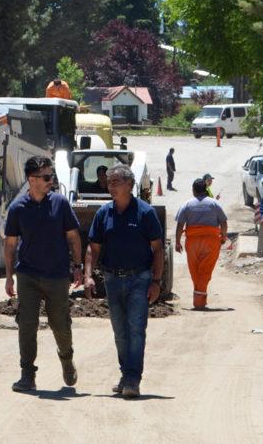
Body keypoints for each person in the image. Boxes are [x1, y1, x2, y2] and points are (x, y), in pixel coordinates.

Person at [81, 164, 164, 398]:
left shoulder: (145, 213)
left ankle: (132, 379)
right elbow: (93, 248)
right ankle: (126, 372)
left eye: (116, 181)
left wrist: (156, 281)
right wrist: (88, 276)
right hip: (112, 279)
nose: (111, 186)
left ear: (130, 185)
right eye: (109, 182)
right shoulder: (103, 213)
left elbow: (157, 250)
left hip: (140, 278)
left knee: (136, 329)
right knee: (119, 331)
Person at [4, 155, 84, 392]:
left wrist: (77, 267)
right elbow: (10, 245)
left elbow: (74, 238)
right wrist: (9, 276)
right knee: (26, 324)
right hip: (27, 275)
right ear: (32, 179)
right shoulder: (17, 208)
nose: (51, 180)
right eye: (46, 177)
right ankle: (27, 374)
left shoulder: (60, 203)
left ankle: (66, 358)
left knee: (60, 324)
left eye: (51, 176)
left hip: (57, 275)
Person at [175, 179, 228, 309]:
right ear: (205, 189)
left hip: (192, 242)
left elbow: (180, 225)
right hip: (211, 241)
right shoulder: (215, 203)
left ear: (193, 191)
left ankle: (199, 300)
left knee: (195, 270)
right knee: (205, 269)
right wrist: (224, 236)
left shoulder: (187, 204)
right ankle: (199, 302)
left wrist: (177, 242)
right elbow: (223, 222)